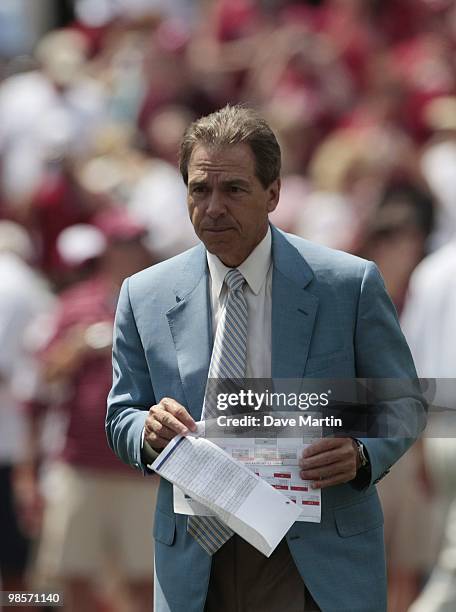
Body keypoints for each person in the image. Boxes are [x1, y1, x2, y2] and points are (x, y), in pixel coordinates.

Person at [106, 105, 425, 612]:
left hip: (314, 555)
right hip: (197, 559)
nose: (213, 208)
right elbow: (121, 414)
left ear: (273, 193)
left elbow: (406, 400)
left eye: (233, 189)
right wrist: (145, 429)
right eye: (199, 190)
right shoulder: (143, 294)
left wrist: (363, 453)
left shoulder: (347, 284)